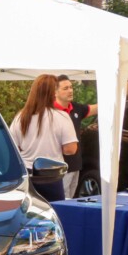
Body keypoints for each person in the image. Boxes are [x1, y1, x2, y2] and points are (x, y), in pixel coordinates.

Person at [9, 74, 77, 204]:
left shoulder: (21, 117)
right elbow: (70, 149)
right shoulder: (61, 117)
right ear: (52, 93)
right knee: (55, 215)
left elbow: (13, 148)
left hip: (26, 176)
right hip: (52, 177)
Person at [54, 74, 98, 198]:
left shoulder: (76, 108)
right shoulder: (50, 112)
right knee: (62, 201)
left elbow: (98, 108)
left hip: (76, 166)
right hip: (60, 168)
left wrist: (123, 92)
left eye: (71, 87)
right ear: (55, 92)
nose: (70, 90)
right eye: (65, 88)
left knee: (70, 200)